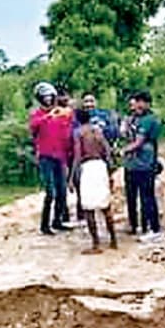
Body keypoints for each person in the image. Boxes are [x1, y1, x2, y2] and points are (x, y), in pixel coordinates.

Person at [29, 83, 76, 234]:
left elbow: (68, 130)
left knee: (62, 191)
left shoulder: (61, 113)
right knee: (50, 192)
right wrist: (48, 116)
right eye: (45, 97)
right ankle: (44, 225)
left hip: (60, 156)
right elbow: (33, 127)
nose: (48, 100)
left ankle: (58, 220)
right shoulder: (37, 114)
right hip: (45, 156)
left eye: (50, 97)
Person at [73, 108, 118, 254]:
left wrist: (72, 176)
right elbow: (107, 150)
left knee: (88, 208)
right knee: (105, 206)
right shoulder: (97, 130)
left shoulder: (79, 133)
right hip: (101, 166)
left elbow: (78, 155)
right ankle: (113, 240)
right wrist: (110, 170)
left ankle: (96, 244)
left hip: (88, 167)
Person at [122, 90, 162, 237]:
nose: (136, 106)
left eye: (139, 103)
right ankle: (136, 226)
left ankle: (153, 228)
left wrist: (123, 151)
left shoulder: (149, 120)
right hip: (132, 165)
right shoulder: (135, 119)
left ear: (146, 103)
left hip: (144, 164)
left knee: (147, 197)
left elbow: (138, 142)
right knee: (132, 197)